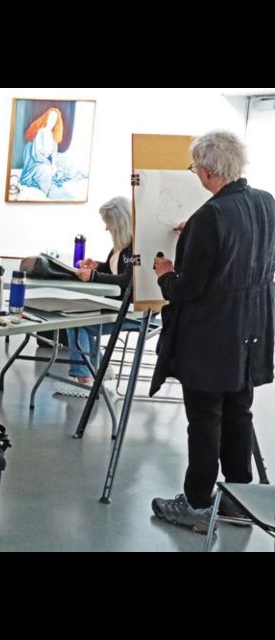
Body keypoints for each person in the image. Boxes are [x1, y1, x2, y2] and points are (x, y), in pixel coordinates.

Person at [151, 130, 275, 534]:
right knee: (239, 413)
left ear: (205, 171)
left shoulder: (211, 217)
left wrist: (166, 274)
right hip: (250, 330)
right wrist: (198, 235)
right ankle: (239, 501)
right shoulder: (265, 203)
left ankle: (199, 504)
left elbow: (188, 289)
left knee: (204, 420)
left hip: (210, 335)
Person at [64, 196, 135, 385]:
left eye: (108, 223)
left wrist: (93, 276)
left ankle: (85, 378)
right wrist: (98, 266)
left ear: (119, 222)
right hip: (119, 306)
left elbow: (128, 280)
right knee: (75, 318)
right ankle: (99, 370)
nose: (106, 228)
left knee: (79, 323)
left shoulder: (136, 248)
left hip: (133, 311)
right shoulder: (123, 247)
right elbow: (117, 271)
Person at [20, 107, 64, 197]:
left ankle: (45, 192)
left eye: (55, 118)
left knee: (60, 168)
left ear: (57, 121)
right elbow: (36, 154)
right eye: (51, 117)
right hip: (35, 163)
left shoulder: (54, 136)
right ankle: (43, 194)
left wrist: (54, 164)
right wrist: (48, 163)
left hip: (45, 162)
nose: (52, 120)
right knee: (46, 170)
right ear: (47, 117)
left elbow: (54, 154)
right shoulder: (40, 132)